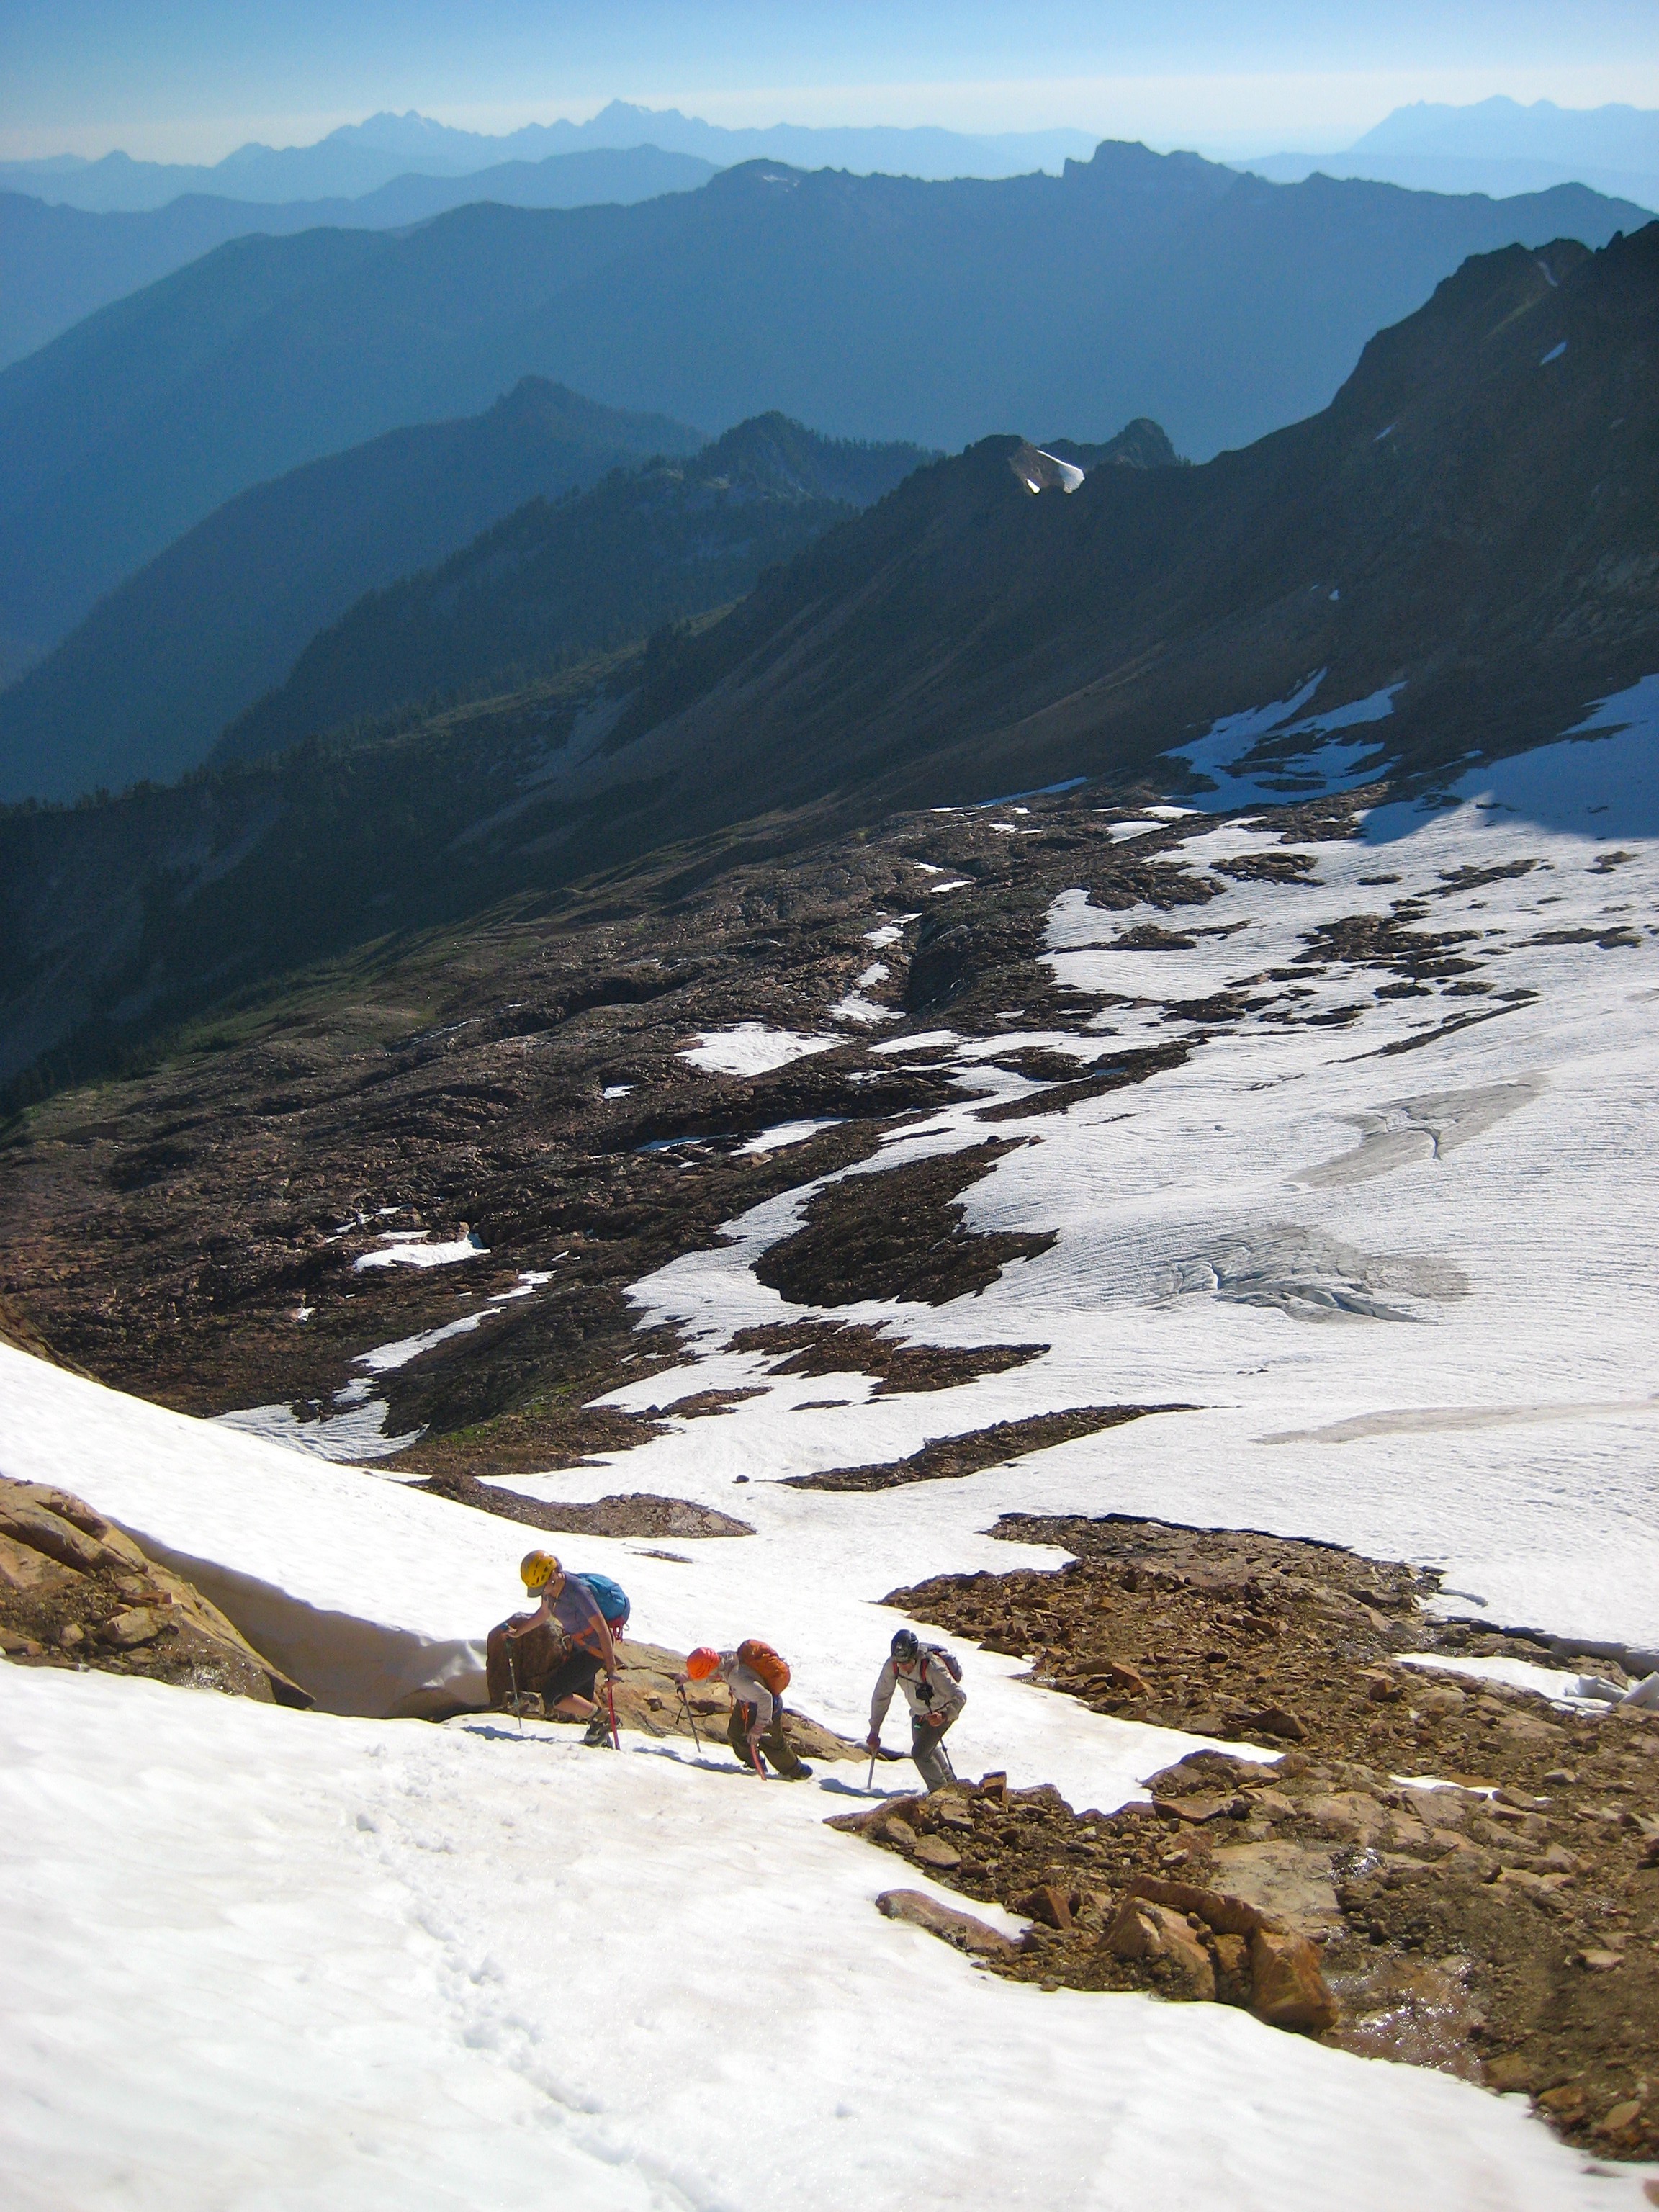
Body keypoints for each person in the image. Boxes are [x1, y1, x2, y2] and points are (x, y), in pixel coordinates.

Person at [488, 1550, 619, 1745]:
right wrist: (519, 1632)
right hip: (579, 1645)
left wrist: (612, 1669)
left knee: (554, 1694)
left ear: (552, 1577)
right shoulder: (550, 1591)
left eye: (543, 1587)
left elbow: (602, 1630)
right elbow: (543, 1613)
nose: (543, 1593)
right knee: (582, 1696)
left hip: (594, 1650)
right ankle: (600, 1728)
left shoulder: (577, 1590)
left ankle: (603, 1719)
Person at [681, 1642, 810, 1779]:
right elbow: (710, 1671)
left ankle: (797, 1771)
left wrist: (759, 1726)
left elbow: (765, 1698)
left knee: (771, 1743)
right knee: (736, 1734)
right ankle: (754, 1764)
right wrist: (686, 1676)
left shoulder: (737, 1678)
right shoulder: (722, 1659)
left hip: (767, 1706)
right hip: (747, 1703)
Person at [868, 1628, 964, 1792]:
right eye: (899, 1663)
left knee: (920, 1753)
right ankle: (951, 1785)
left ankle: (940, 1793)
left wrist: (944, 1715)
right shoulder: (893, 1665)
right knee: (927, 1749)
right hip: (919, 1715)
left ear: (914, 1655)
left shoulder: (933, 1667)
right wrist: (874, 1730)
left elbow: (960, 1696)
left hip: (941, 1711)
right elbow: (881, 1696)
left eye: (906, 1662)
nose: (903, 1667)